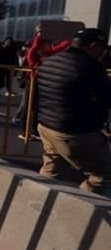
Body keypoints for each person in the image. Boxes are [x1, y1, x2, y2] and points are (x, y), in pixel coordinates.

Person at [35, 28, 111, 196]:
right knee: (104, 173)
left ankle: (39, 201)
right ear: (93, 45)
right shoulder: (90, 65)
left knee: (52, 169)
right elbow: (105, 97)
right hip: (74, 132)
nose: (102, 53)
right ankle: (86, 206)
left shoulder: (50, 61)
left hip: (46, 126)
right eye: (102, 49)